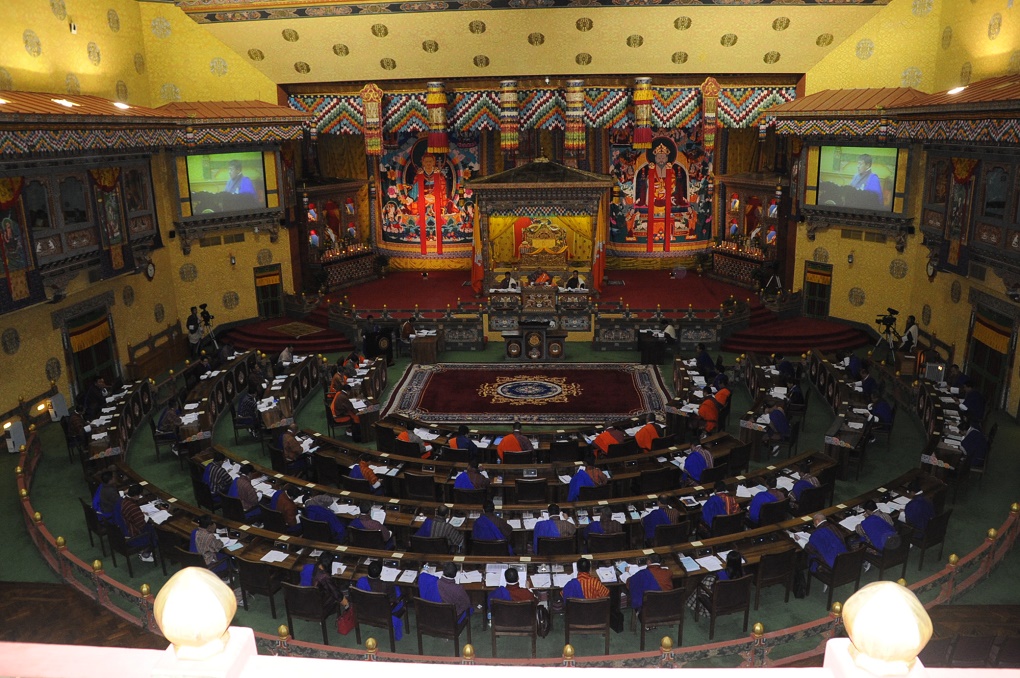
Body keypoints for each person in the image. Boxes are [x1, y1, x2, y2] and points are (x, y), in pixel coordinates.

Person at [633, 137, 688, 252]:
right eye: (659, 157)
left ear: (668, 158)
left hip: (668, 198)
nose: (661, 160)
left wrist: (666, 189)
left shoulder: (671, 171)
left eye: (664, 157)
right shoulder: (651, 170)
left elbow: (673, 185)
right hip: (654, 198)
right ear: (654, 158)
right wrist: (654, 187)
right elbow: (647, 185)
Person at [355, 560, 405, 640]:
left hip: (365, 610)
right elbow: (394, 599)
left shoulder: (361, 581)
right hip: (382, 612)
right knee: (399, 595)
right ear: (380, 573)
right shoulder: (386, 585)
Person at [688, 551, 743, 617]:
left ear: (728, 561)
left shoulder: (721, 574)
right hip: (733, 598)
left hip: (720, 599)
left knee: (704, 582)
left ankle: (691, 604)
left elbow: (714, 588)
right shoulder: (743, 574)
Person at [112, 484, 155, 562]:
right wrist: (144, 515)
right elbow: (141, 523)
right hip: (130, 536)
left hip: (121, 531)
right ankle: (145, 553)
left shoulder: (122, 500)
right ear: (135, 496)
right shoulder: (132, 506)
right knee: (152, 530)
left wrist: (140, 513)